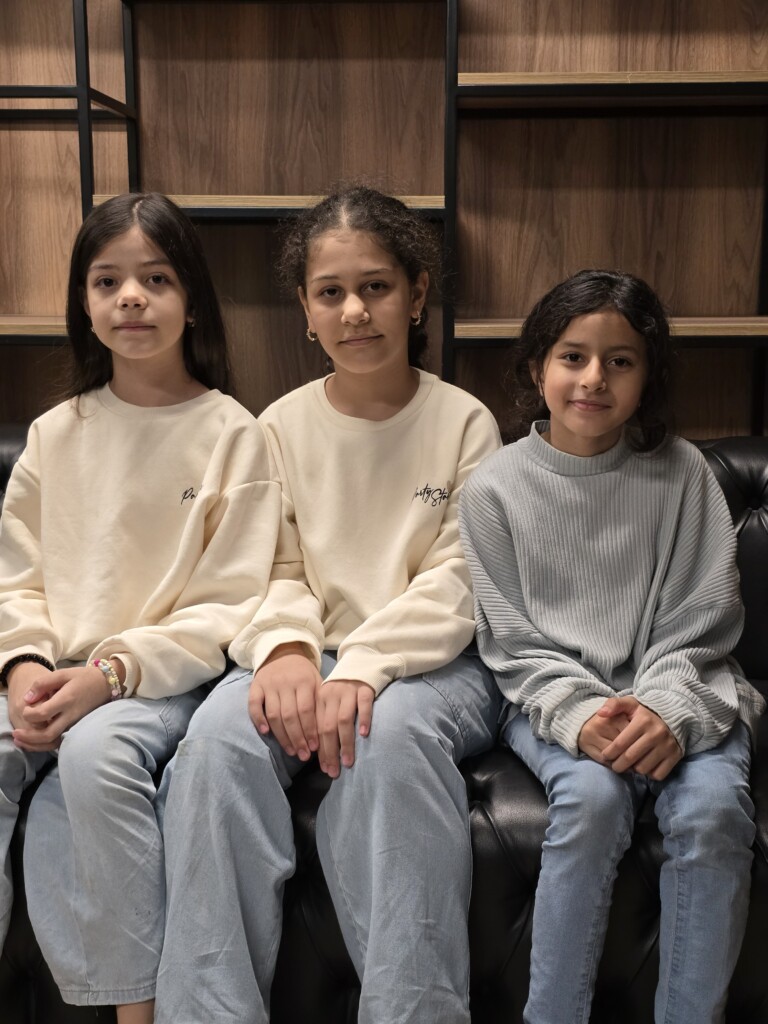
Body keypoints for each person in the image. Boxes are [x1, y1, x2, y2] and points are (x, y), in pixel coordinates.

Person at [155, 185, 503, 1024]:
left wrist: (371, 670)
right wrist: (285, 653)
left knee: (389, 744)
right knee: (212, 748)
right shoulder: (273, 427)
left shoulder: (466, 424)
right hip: (301, 653)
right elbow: (266, 566)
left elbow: (461, 578)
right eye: (331, 292)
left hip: (431, 666)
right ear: (305, 311)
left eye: (377, 287)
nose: (356, 311)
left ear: (417, 294)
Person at [0, 192, 281, 1024]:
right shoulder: (56, 434)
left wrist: (109, 674)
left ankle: (138, 1012)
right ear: (83, 306)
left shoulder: (235, 432)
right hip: (46, 676)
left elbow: (230, 603)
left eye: (156, 278)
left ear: (191, 299)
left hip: (158, 685)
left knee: (92, 758)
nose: (131, 297)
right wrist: (21, 669)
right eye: (107, 281)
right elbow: (17, 578)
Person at [458, 268, 765, 1024]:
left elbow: (704, 621)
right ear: (538, 367)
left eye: (620, 361)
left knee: (715, 813)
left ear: (646, 375)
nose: (593, 379)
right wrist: (583, 714)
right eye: (573, 356)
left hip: (684, 693)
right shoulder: (493, 490)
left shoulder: (685, 473)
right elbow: (513, 643)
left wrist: (663, 711)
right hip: (556, 703)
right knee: (591, 802)